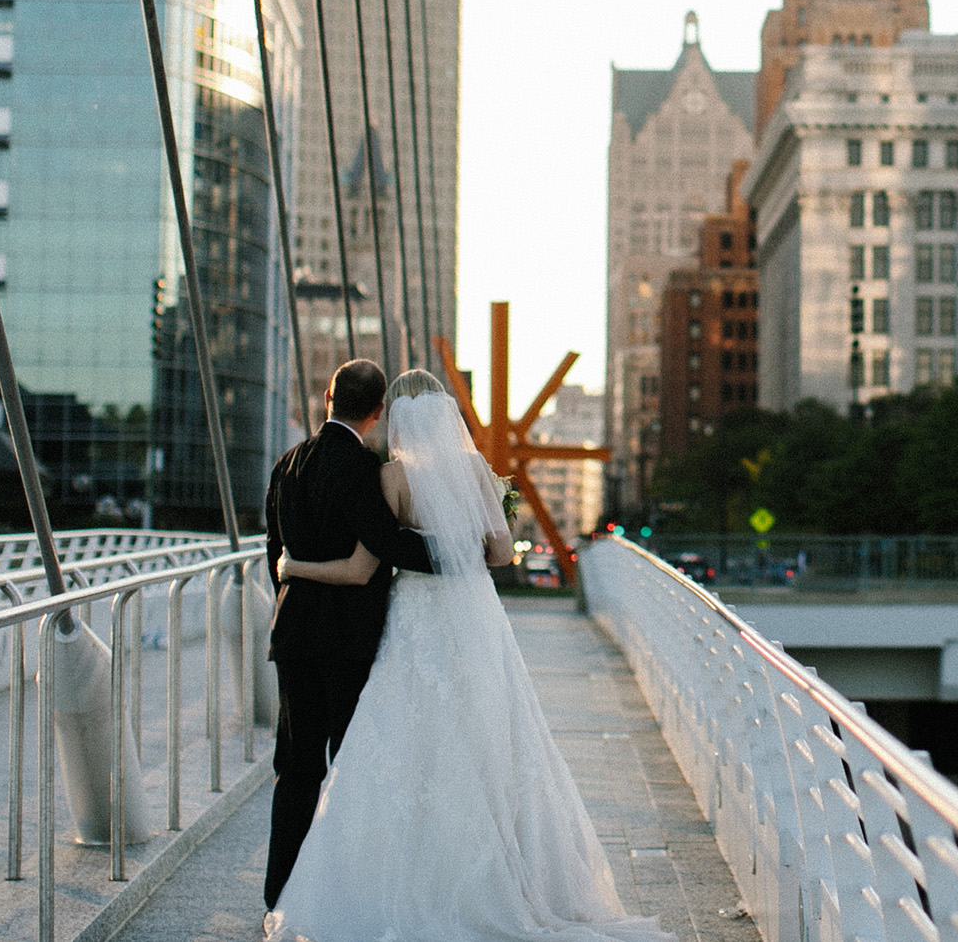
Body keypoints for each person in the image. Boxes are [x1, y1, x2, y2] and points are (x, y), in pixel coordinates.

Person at [264, 368, 668, 942]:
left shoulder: (366, 473)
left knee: (338, 763)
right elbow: (501, 553)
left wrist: (290, 576)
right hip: (469, 620)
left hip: (336, 629)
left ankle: (291, 892)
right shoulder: (477, 472)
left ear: (390, 414)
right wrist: (460, 557)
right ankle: (487, 870)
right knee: (482, 745)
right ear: (381, 411)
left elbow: (341, 556)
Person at [262, 358, 441, 910]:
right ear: (378, 411)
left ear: (327, 398)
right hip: (346, 641)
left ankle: (279, 892)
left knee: (294, 768)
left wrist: (293, 595)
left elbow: (276, 553)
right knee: (347, 763)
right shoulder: (361, 467)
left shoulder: (287, 464)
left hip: (293, 635)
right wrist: (459, 555)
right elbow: (384, 541)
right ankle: (339, 892)